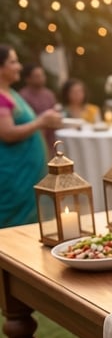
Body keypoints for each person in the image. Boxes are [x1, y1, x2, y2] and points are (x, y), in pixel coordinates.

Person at [0, 45, 61, 228]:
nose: (19, 66)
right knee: (14, 227)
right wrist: (41, 122)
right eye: (13, 62)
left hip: (25, 174)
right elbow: (7, 133)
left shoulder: (9, 93)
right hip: (14, 176)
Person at [18, 63, 58, 148]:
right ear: (28, 79)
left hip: (50, 139)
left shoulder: (49, 94)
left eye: (42, 75)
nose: (41, 78)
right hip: (32, 139)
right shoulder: (22, 96)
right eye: (37, 76)